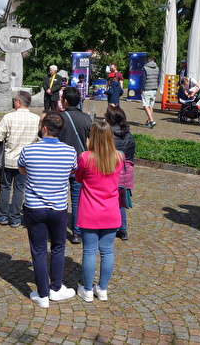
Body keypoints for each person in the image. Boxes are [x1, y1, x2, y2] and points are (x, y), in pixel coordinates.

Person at [18, 111, 78, 308]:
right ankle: (56, 287)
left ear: (44, 128)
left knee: (38, 250)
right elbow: (72, 171)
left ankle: (42, 293)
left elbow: (21, 169)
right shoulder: (70, 152)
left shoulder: (29, 150)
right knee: (59, 247)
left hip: (34, 206)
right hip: (58, 207)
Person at [75, 120, 124, 302]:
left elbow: (78, 179)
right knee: (107, 251)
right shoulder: (119, 157)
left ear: (92, 138)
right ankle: (102, 289)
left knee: (89, 251)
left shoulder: (85, 157)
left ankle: (87, 290)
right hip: (111, 210)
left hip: (89, 210)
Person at [0, 90, 40, 227]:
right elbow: (39, 139)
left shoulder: (8, 117)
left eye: (14, 100)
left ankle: (2, 216)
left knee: (5, 187)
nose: (13, 102)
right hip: (25, 162)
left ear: (19, 102)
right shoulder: (36, 119)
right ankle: (14, 217)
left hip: (8, 159)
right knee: (20, 189)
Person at [58, 86, 93, 245]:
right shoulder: (86, 118)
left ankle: (57, 229)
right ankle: (77, 233)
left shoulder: (59, 118)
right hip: (80, 163)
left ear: (65, 101)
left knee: (58, 198)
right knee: (77, 200)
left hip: (60, 163)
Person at [105, 106, 135, 241]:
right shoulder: (128, 134)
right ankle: (123, 230)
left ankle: (107, 226)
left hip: (111, 170)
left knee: (108, 200)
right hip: (126, 171)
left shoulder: (107, 135)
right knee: (120, 202)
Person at [141, 56, 160, 128]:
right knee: (151, 106)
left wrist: (142, 89)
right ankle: (148, 121)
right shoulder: (157, 68)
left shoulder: (145, 68)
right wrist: (156, 87)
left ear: (147, 62)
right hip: (154, 89)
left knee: (145, 105)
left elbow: (143, 79)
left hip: (147, 89)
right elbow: (158, 79)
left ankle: (151, 120)